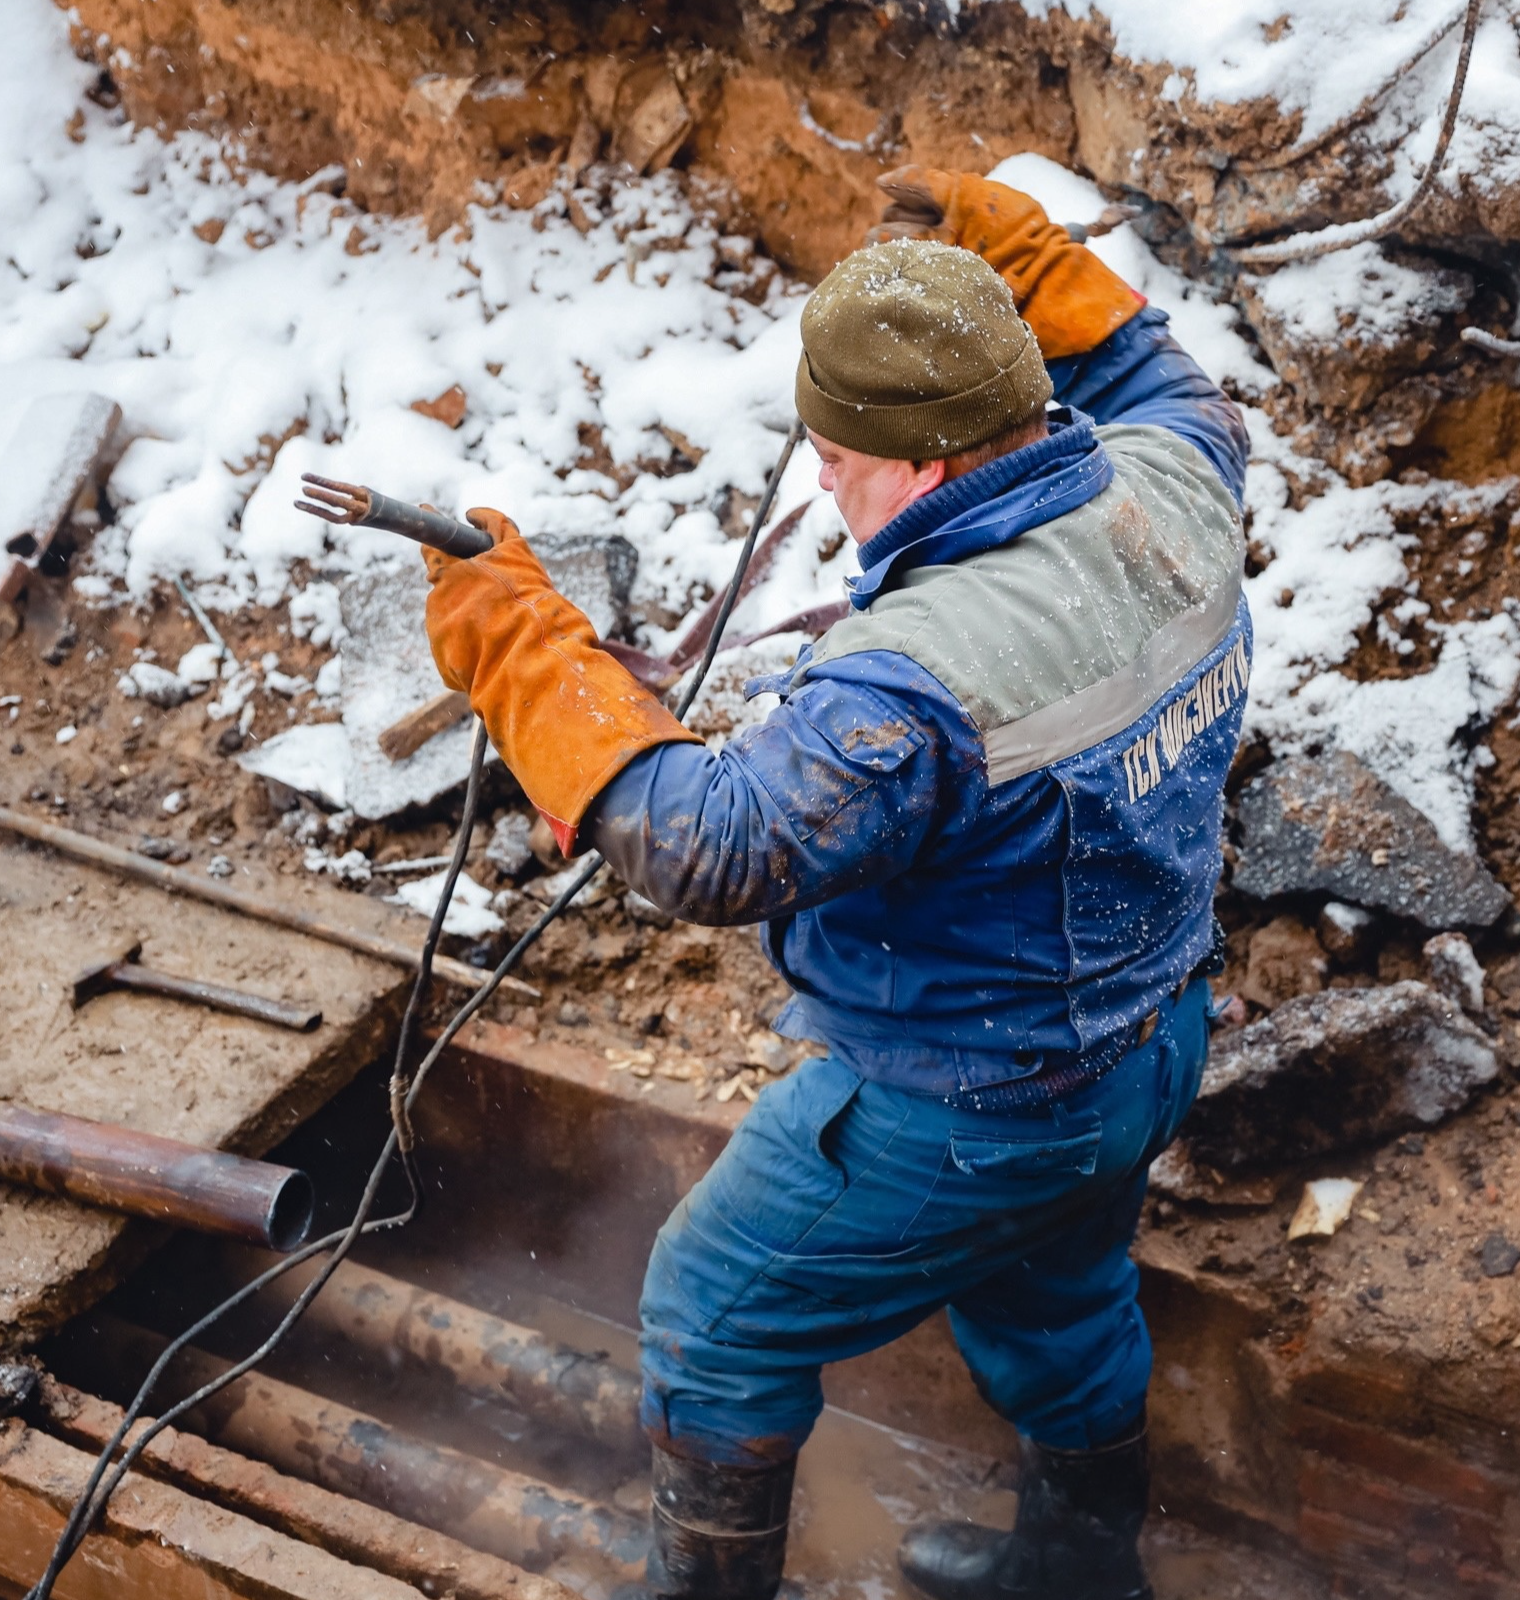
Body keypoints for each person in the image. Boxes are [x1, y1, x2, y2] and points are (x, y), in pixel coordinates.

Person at [422, 166, 1253, 1600]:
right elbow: (1157, 372)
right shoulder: (1180, 476)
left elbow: (711, 843)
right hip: (1150, 1043)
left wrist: (527, 654)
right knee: (1054, 1299)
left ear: (923, 470)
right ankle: (1078, 1573)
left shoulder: (915, 679)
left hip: (970, 1097)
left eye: (836, 455)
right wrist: (1019, 265)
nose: (820, 478)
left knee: (714, 1312)